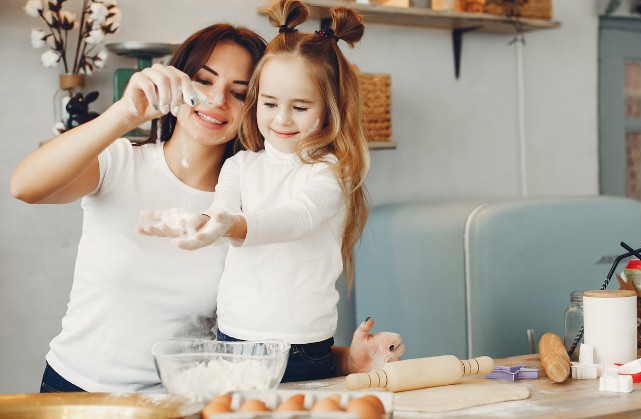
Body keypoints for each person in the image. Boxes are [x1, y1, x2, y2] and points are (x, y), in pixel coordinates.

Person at [10, 22, 401, 393]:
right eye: (204, 80)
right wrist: (124, 114)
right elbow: (25, 186)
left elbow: (260, 343)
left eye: (239, 92)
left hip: (181, 400)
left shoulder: (257, 200)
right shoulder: (122, 163)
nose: (216, 100)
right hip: (76, 391)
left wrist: (346, 360)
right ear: (179, 79)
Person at [139, 0, 385, 383]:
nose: (282, 118)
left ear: (330, 107)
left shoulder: (329, 173)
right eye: (269, 104)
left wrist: (230, 226)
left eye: (300, 107)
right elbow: (220, 209)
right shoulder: (239, 165)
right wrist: (196, 223)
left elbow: (295, 220)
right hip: (233, 338)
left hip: (302, 347)